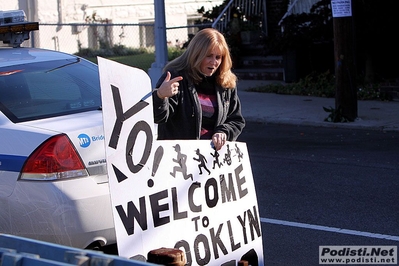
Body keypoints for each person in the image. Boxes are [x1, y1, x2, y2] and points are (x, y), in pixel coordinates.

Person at [152, 28, 245, 151]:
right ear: (196, 54)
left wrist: (224, 132)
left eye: (218, 57)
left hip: (212, 160)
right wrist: (160, 96)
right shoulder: (175, 77)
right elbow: (158, 117)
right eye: (209, 56)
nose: (214, 62)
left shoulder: (225, 83)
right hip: (179, 159)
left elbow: (236, 120)